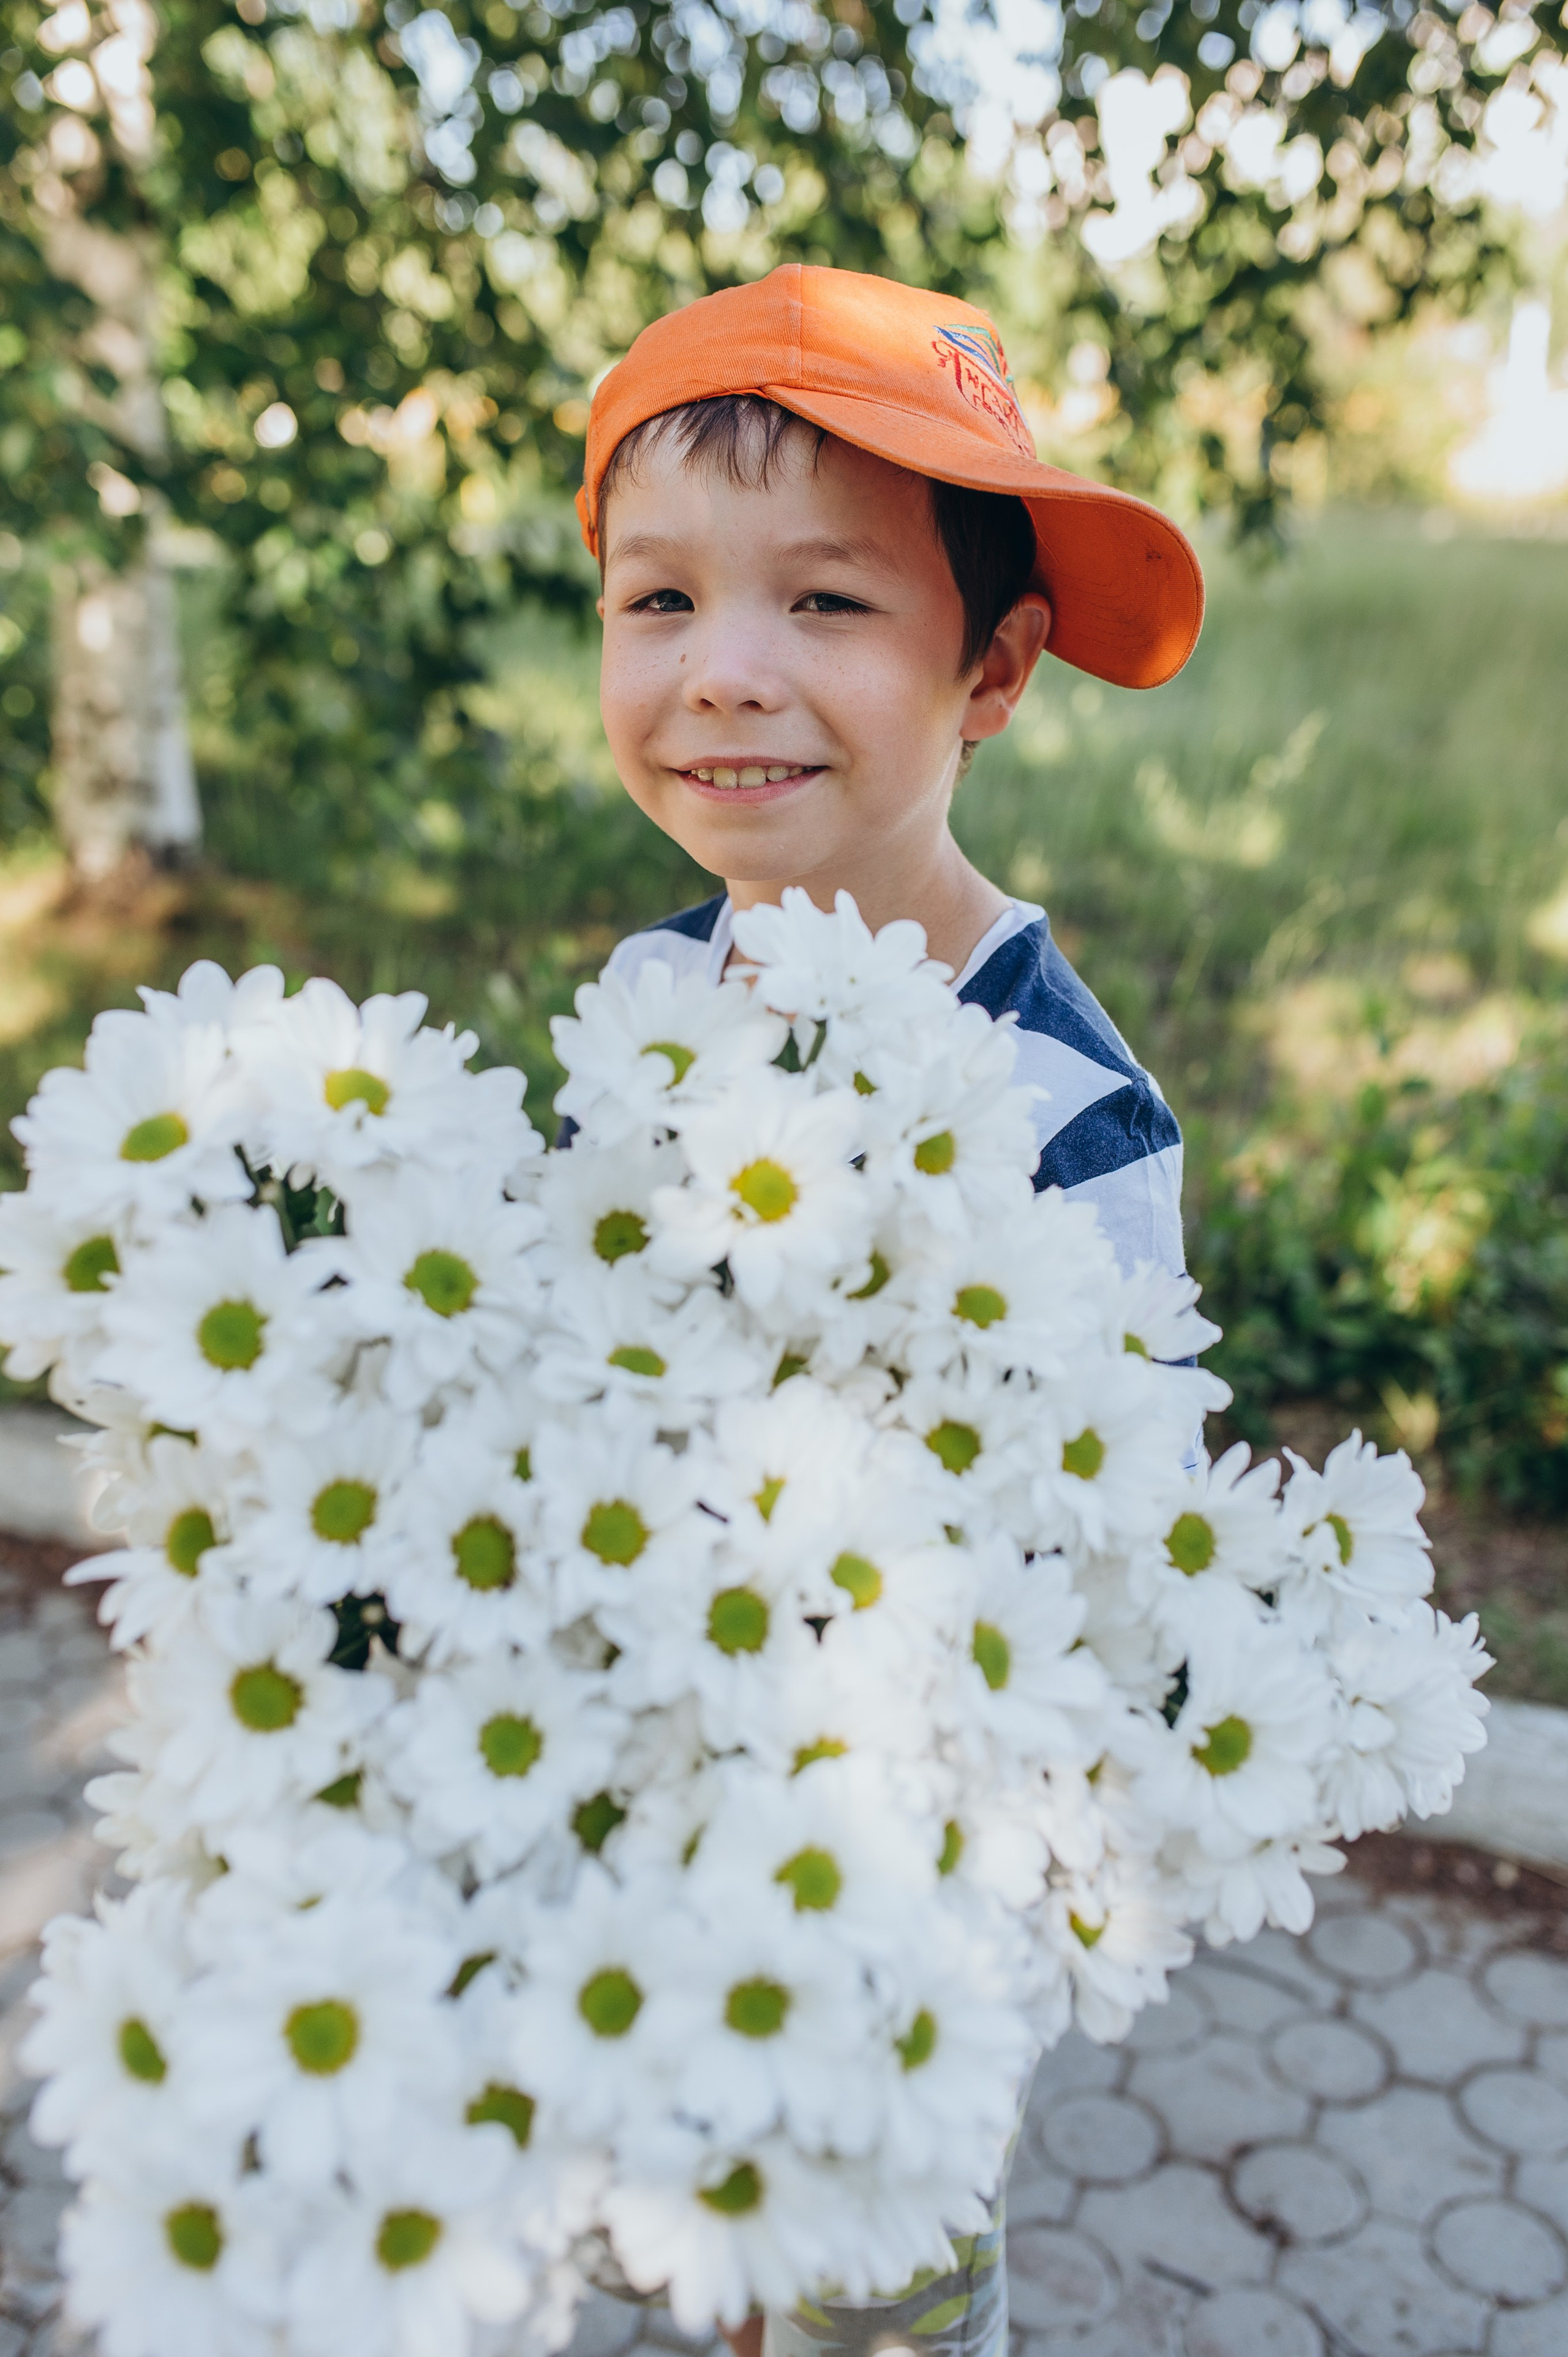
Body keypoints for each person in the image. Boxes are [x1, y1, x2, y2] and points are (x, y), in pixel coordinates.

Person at [576, 263, 1204, 2357]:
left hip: (897, 1939)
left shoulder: (1073, 1118)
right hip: (642, 1869)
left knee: (865, 2322)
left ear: (998, 669)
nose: (725, 674)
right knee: (683, 2287)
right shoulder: (648, 1004)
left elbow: (1104, 1598)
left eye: (827, 603)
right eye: (658, 600)